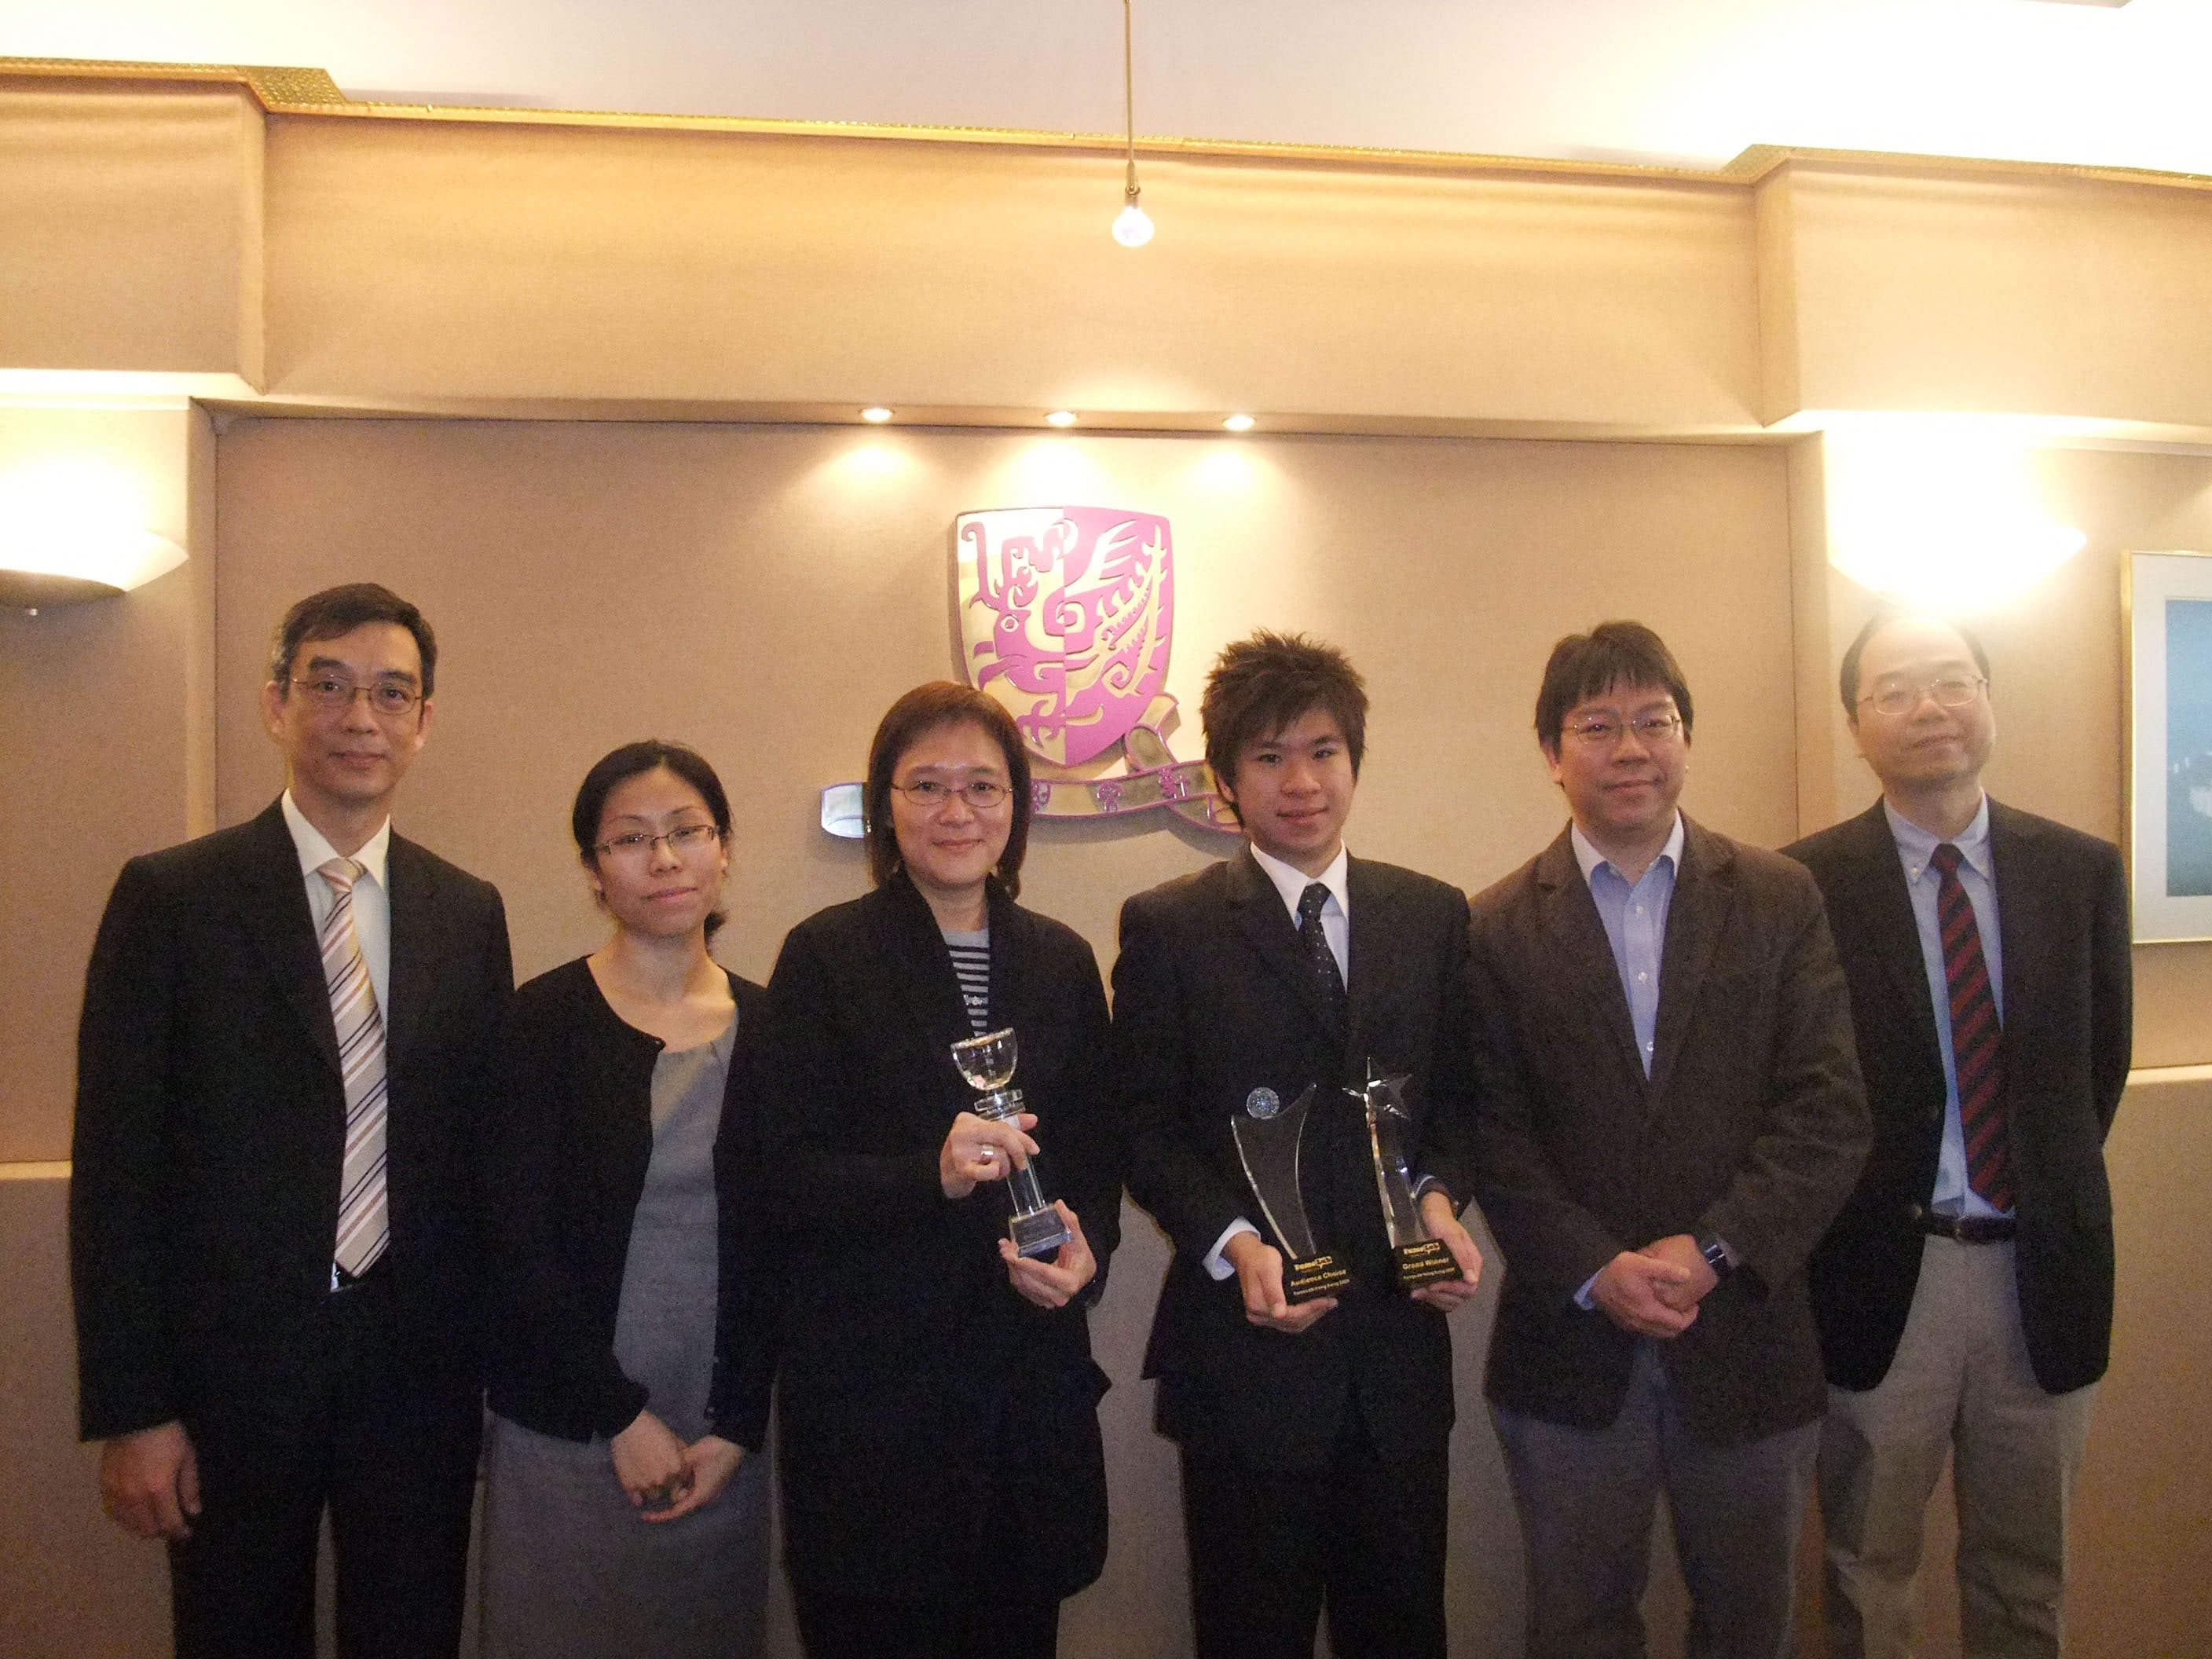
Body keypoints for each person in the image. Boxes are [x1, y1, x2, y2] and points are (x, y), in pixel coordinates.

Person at [69, 582, 513, 1657]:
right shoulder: (174, 898)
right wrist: (134, 1409)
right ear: (277, 703)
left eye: (392, 693)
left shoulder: (468, 911)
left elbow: (478, 1160)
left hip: (417, 1375)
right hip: (230, 1379)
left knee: (411, 1635)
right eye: (331, 686)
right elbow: (118, 1174)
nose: (362, 717)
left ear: (424, 721)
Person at [1467, 619, 1869, 1659]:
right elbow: (1493, 1136)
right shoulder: (1496, 925)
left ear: (1688, 738)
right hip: (1571, 1348)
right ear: (1552, 754)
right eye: (1597, 725)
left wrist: (1713, 1248)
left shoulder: (1780, 897)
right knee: (1579, 1625)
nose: (1632, 747)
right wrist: (1597, 1269)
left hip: (1745, 1336)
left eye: (1657, 720)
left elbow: (1828, 1110)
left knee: (1750, 1626)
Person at [1110, 630, 1485, 1659]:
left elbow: (1463, 1104)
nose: (1301, 781)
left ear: (1354, 761)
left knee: (1403, 1631)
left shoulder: (1433, 916)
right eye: (1269, 757)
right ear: (1228, 782)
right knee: (1250, 1634)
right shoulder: (1169, 927)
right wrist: (1233, 1242)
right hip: (1245, 1357)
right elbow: (1142, 1127)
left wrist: (1442, 1204)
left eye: (1322, 750)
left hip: (1398, 1358)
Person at [1784, 612, 2130, 1659]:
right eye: (1895, 690)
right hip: (1885, 1271)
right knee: (1866, 1570)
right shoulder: (1803, 885)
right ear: (1856, 724)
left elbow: (2095, 1072)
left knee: (2027, 1573)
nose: (1930, 707)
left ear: (1988, 697)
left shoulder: (2079, 871)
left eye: (1952, 681)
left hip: (2042, 1269)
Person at [758, 681, 1121, 1658]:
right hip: (878, 1414)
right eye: (926, 785)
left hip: (1022, 1399)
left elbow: (1093, 1158)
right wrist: (932, 1175)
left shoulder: (1059, 961)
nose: (955, 812)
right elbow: (778, 1175)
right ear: (885, 804)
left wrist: (1086, 1256)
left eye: (982, 787)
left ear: (1016, 807)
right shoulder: (825, 957)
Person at [478, 740, 777, 1658]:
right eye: (629, 840)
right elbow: (512, 1244)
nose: (663, 859)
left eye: (687, 831)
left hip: (721, 1422)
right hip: (568, 1417)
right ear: (592, 870)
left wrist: (736, 1424)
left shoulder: (776, 1025)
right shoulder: (540, 1023)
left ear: (722, 850)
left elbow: (785, 1242)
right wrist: (618, 1414)